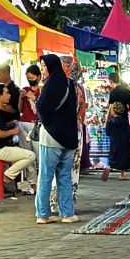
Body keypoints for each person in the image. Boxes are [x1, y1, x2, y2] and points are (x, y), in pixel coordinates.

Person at [35, 54, 79, 224]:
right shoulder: (69, 84)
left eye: (45, 67)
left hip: (51, 137)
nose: (43, 70)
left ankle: (43, 214)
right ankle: (67, 213)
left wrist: (48, 122)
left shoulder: (49, 86)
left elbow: (41, 107)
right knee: (64, 177)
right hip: (68, 137)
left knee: (45, 177)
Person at [0, 83, 36, 195]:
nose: (9, 95)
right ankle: (8, 175)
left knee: (23, 154)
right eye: (6, 93)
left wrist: (9, 124)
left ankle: (12, 179)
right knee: (31, 155)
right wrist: (12, 131)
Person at [102, 101, 130, 182]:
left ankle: (108, 167)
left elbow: (108, 132)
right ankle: (122, 175)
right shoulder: (125, 121)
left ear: (113, 110)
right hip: (124, 143)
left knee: (113, 156)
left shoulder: (111, 121)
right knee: (124, 158)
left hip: (114, 142)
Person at [17, 64, 42, 164]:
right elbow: (20, 109)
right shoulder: (25, 89)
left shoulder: (42, 91)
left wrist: (34, 98)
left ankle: (41, 175)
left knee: (39, 152)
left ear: (39, 77)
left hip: (37, 125)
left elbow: (43, 109)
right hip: (24, 123)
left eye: (32, 77)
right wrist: (20, 97)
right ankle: (31, 177)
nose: (30, 79)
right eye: (28, 78)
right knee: (27, 153)